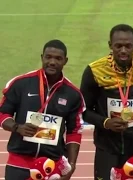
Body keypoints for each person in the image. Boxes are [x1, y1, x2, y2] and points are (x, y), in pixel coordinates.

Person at [80, 24, 133, 180]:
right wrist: (106, 122)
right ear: (110, 45)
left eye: (128, 46)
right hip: (106, 148)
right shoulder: (95, 71)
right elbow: (83, 111)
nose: (123, 51)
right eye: (118, 46)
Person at [0, 39, 85, 180]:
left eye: (58, 58)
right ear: (42, 57)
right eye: (48, 57)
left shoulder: (73, 94)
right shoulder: (21, 83)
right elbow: (3, 113)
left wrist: (71, 165)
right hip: (19, 164)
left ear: (65, 61)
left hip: (52, 167)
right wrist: (17, 127)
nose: (52, 62)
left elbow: (74, 131)